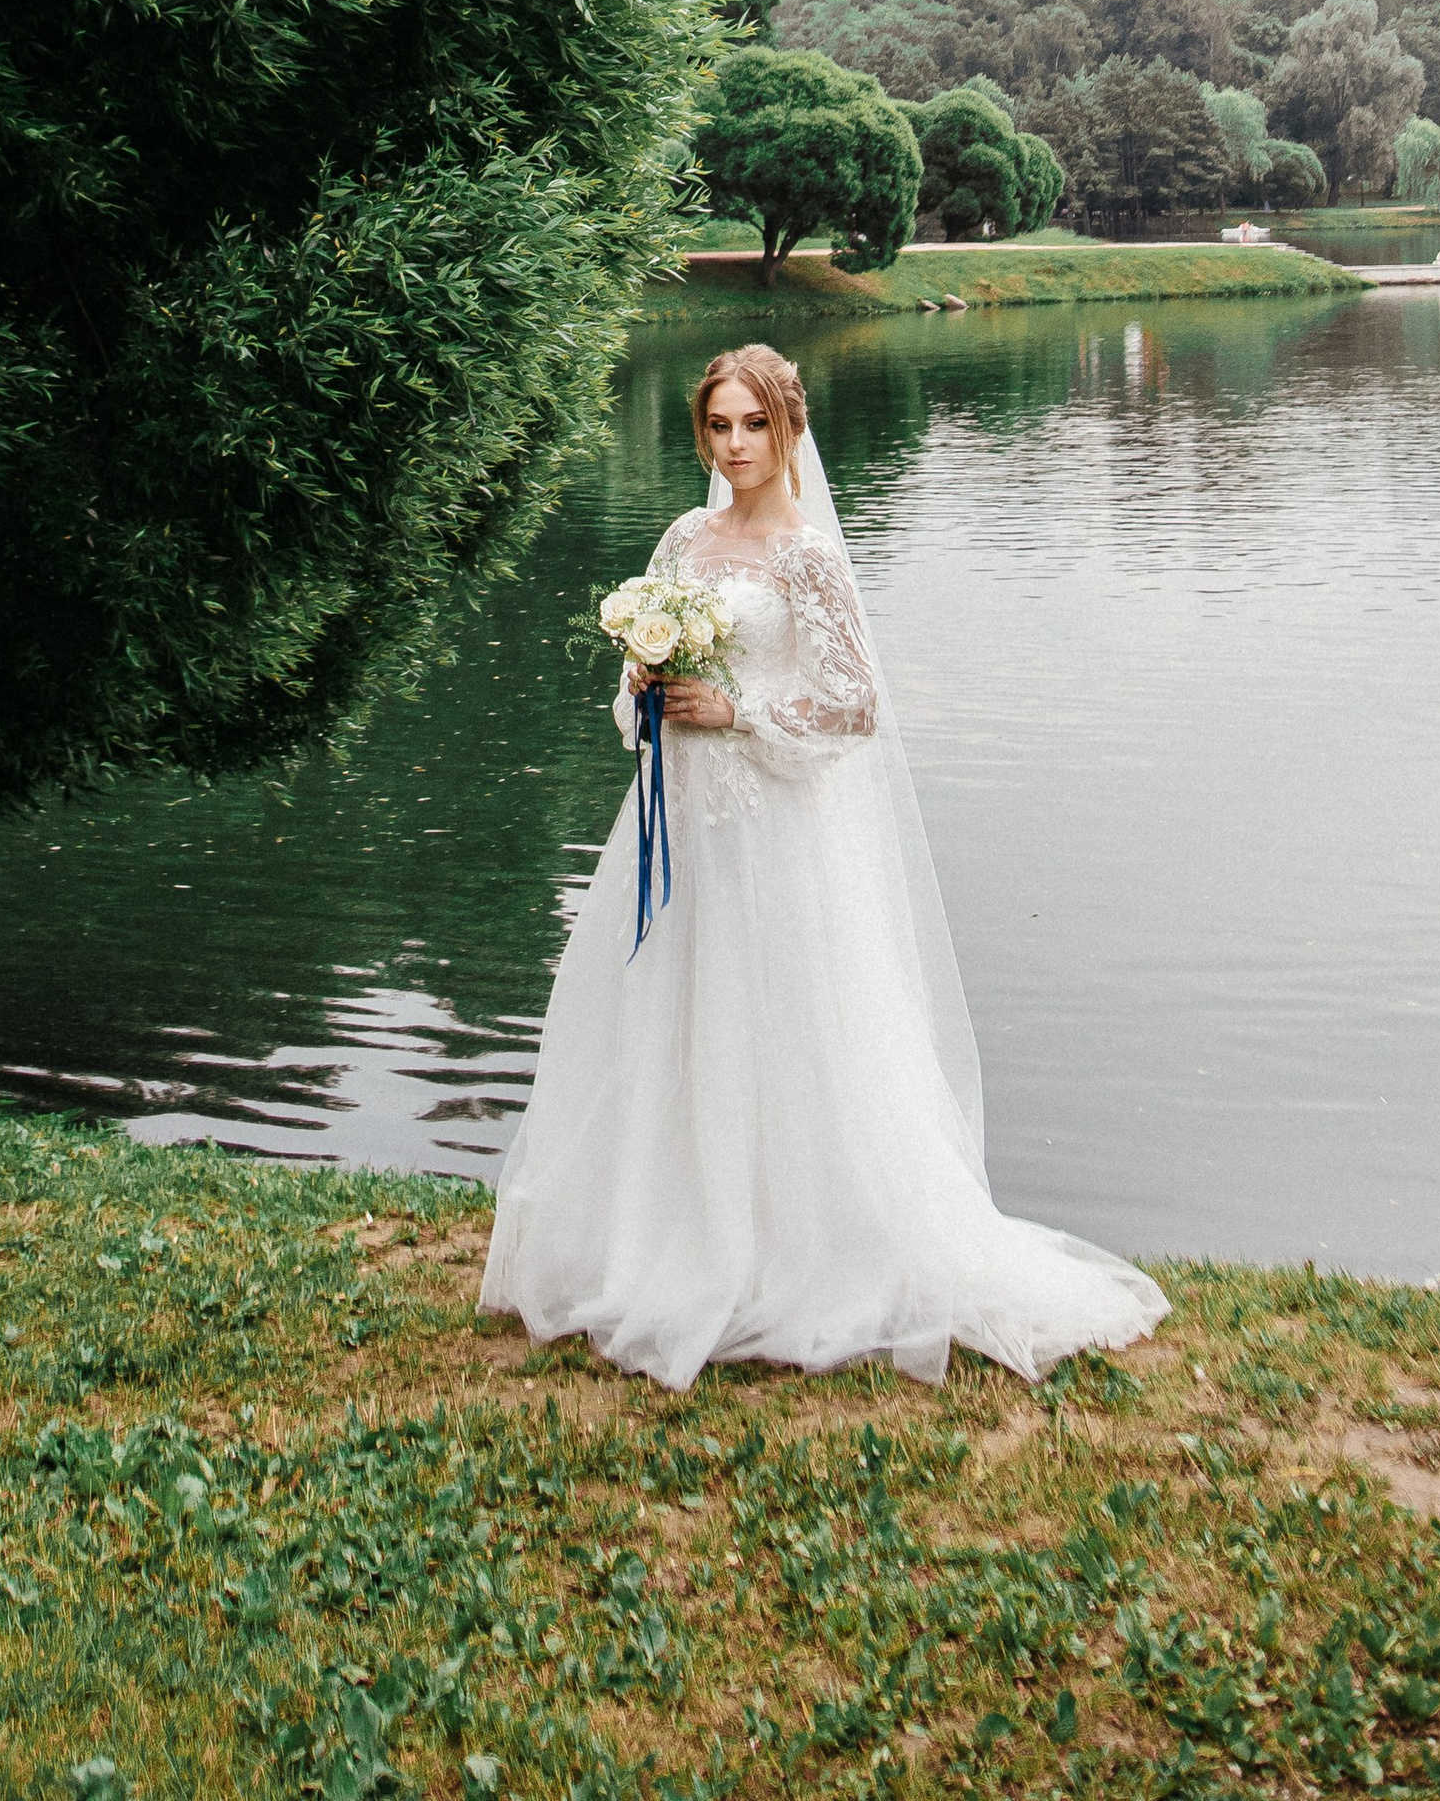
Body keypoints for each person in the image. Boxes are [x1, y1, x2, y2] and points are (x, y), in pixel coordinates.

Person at [481, 341, 1168, 1389]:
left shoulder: (808, 555)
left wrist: (737, 707)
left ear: (788, 428)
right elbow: (637, 695)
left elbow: (853, 706)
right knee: (668, 1014)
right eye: (717, 424)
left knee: (780, 1022)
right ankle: (662, 1236)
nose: (734, 444)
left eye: (752, 423)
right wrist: (649, 682)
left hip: (773, 829)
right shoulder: (681, 537)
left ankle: (795, 1252)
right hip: (680, 821)